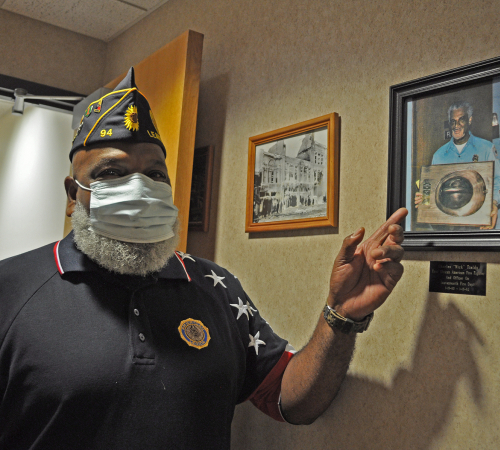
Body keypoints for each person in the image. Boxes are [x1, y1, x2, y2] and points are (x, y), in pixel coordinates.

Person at [0, 68, 407, 449]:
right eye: (112, 173)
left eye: (156, 174)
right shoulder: (11, 290)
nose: (139, 188)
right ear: (73, 196)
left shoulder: (216, 287)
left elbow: (290, 398)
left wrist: (341, 316)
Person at [415, 101, 500, 229]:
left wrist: (494, 203)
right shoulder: (439, 155)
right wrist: (424, 199)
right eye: (453, 121)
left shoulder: (486, 148)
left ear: (470, 120)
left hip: (479, 225)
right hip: (449, 227)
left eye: (461, 120)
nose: (456, 125)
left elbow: (498, 181)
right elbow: (432, 190)